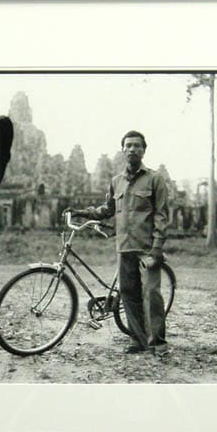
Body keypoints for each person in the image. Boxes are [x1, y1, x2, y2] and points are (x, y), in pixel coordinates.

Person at [67, 130, 170, 355]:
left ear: (144, 150)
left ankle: (158, 344)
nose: (132, 149)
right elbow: (107, 210)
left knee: (151, 295)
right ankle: (138, 340)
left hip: (147, 249)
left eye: (137, 145)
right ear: (123, 150)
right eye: (128, 145)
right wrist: (82, 212)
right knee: (128, 294)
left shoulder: (155, 179)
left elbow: (161, 215)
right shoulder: (116, 181)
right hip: (124, 247)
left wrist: (157, 248)